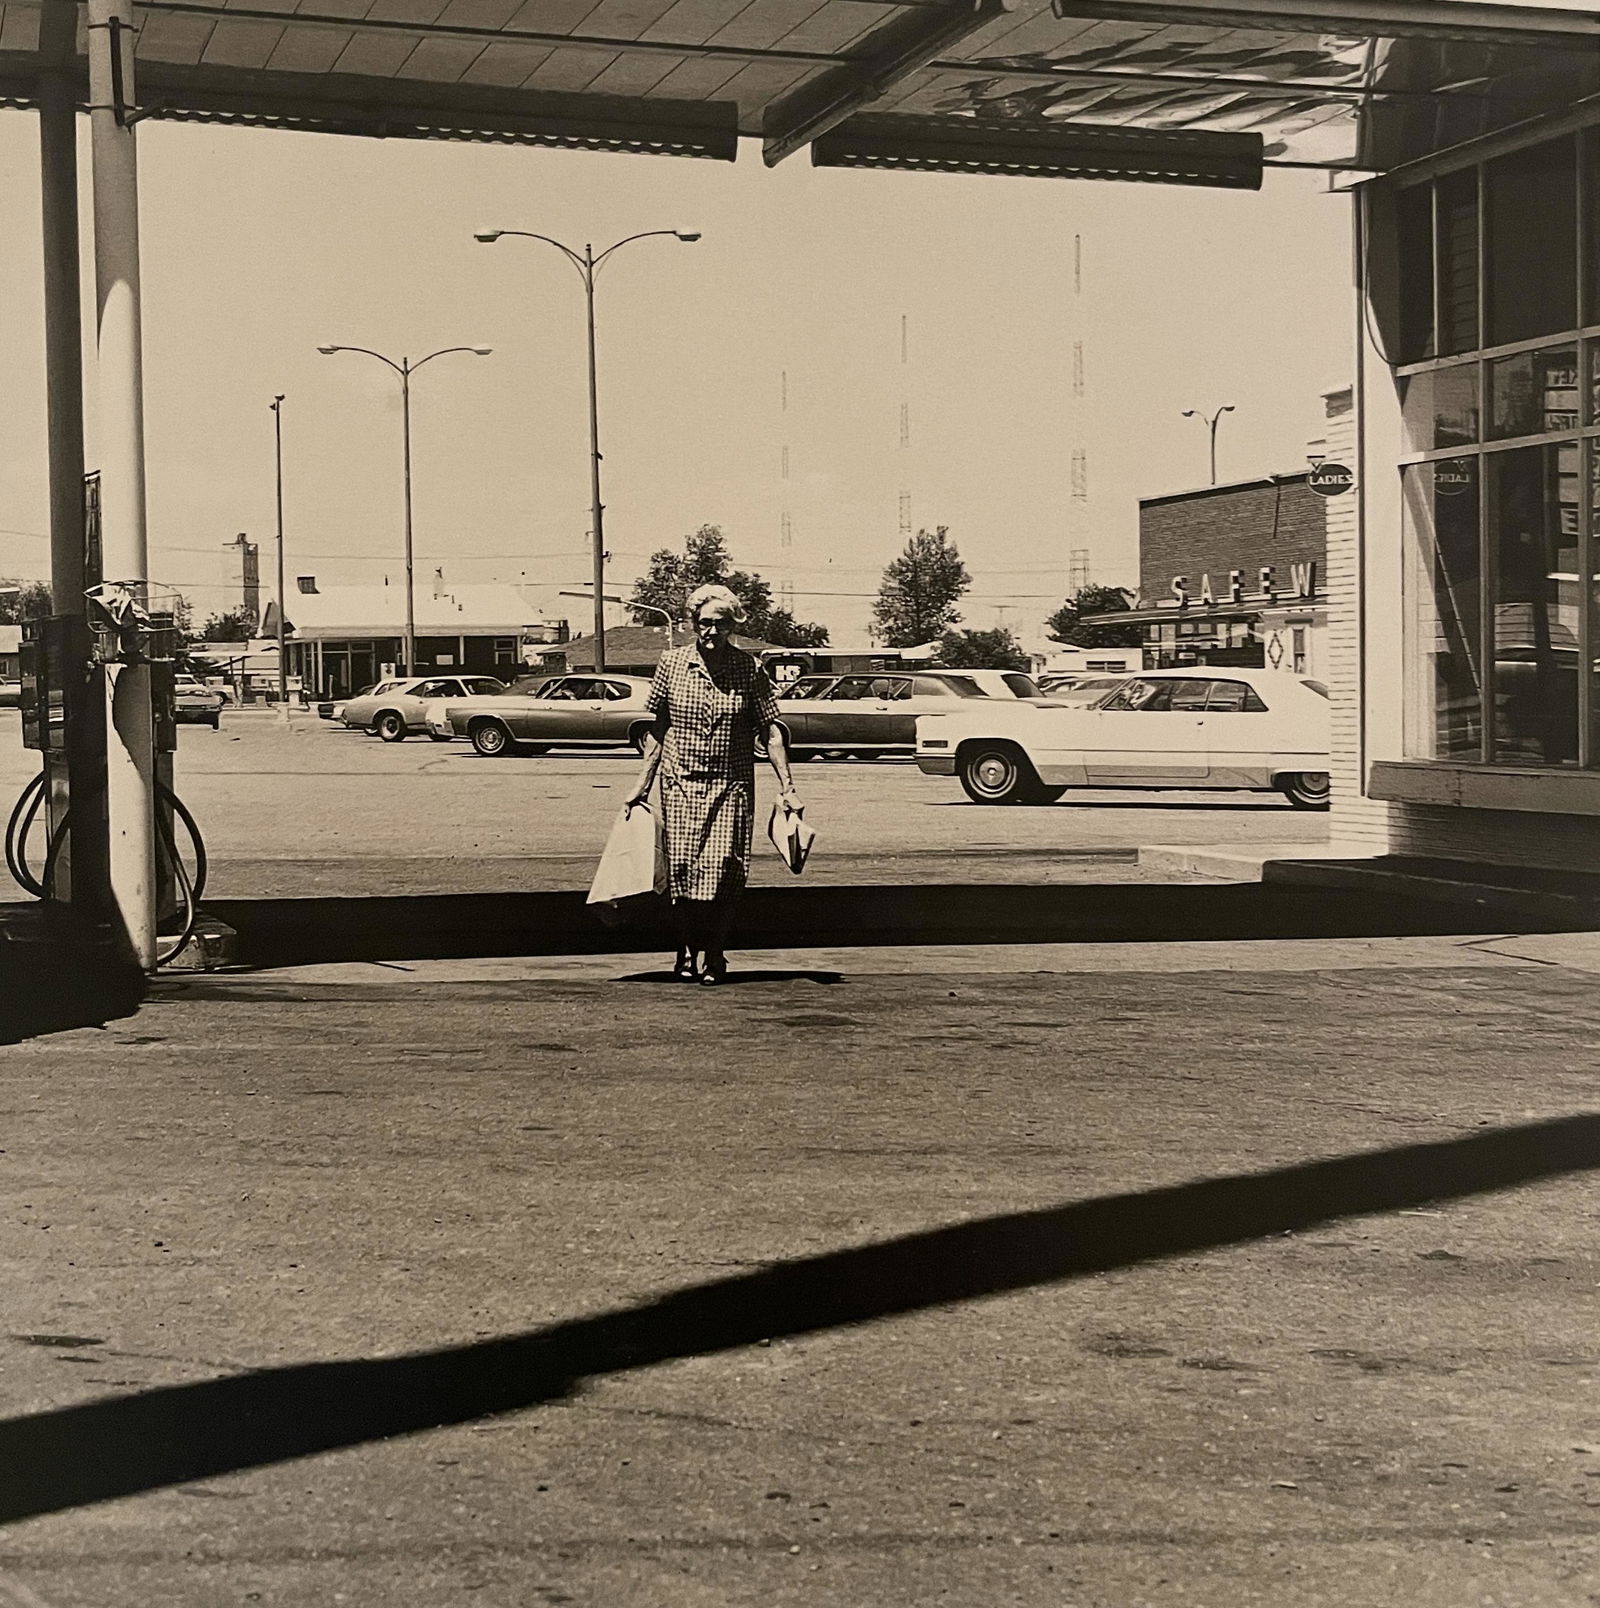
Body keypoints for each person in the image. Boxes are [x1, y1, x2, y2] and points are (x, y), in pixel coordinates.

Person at [625, 584, 801, 985]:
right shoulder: (671, 664)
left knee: (724, 869)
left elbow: (770, 731)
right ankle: (686, 950)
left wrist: (788, 785)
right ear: (692, 625)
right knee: (684, 870)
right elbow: (657, 730)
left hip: (731, 785)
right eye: (704, 624)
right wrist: (641, 784)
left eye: (720, 624)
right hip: (680, 783)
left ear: (731, 627)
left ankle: (716, 954)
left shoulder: (747, 668)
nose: (711, 631)